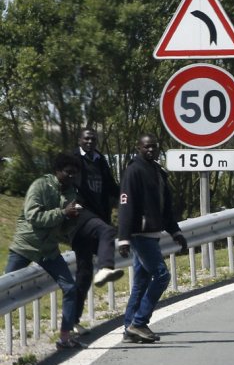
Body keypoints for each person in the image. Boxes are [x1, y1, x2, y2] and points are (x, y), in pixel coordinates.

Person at [4, 153, 84, 349]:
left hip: (48, 250)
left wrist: (72, 219)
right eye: (68, 173)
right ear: (57, 171)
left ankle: (65, 337)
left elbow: (63, 229)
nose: (72, 177)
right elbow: (34, 216)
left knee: (70, 288)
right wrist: (63, 213)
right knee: (4, 292)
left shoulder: (71, 193)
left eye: (75, 173)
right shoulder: (40, 186)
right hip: (25, 245)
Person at [116, 134, 187, 344]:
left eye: (154, 147)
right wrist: (124, 238)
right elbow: (125, 205)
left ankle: (130, 328)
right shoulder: (133, 171)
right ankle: (139, 322)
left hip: (153, 234)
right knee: (162, 276)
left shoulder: (158, 172)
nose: (150, 150)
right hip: (140, 235)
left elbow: (166, 208)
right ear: (139, 147)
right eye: (146, 147)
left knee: (141, 282)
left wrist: (175, 232)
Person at [70, 128, 124, 335]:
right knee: (107, 232)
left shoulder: (100, 160)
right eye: (86, 138)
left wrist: (126, 195)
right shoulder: (74, 159)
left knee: (83, 274)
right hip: (81, 216)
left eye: (93, 139)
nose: (90, 142)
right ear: (79, 140)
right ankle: (105, 268)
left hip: (98, 217)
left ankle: (72, 321)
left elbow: (110, 186)